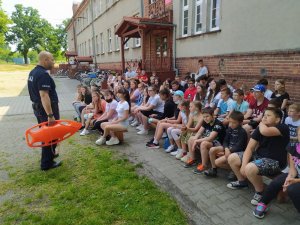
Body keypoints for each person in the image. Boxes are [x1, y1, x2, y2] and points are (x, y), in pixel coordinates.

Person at [227, 107, 290, 206]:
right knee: (232, 158)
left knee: (250, 168)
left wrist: (260, 123)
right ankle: (242, 182)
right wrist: (243, 165)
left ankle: (260, 191)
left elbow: (265, 131)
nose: (264, 117)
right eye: (264, 115)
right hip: (259, 156)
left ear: (277, 119)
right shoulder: (260, 128)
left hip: (275, 162)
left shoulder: (283, 127)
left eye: (268, 116)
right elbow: (249, 148)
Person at [253, 127, 300, 218]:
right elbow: (292, 167)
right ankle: (263, 203)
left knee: (293, 189)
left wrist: (295, 181)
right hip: (296, 175)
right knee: (276, 182)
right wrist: (290, 177)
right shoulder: (294, 145)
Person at [27, 51, 61, 171]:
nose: (53, 62)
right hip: (45, 110)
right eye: (52, 59)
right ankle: (47, 163)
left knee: (47, 134)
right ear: (45, 60)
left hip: (38, 109)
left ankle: (49, 156)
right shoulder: (43, 75)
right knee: (50, 135)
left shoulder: (33, 72)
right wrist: (50, 115)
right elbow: (44, 95)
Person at [205, 111, 248, 177]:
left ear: (240, 123)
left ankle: (235, 170)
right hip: (228, 149)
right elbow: (225, 141)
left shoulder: (242, 132)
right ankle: (214, 170)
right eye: (230, 122)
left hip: (236, 152)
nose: (231, 124)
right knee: (212, 150)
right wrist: (226, 149)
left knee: (217, 162)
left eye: (234, 123)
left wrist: (228, 152)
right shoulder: (229, 129)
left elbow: (239, 146)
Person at [185, 107, 225, 173]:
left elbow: (211, 138)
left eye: (207, 116)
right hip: (209, 140)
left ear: (212, 115)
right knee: (191, 138)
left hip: (218, 143)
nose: (205, 118)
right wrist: (195, 139)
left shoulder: (218, 124)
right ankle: (193, 159)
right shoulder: (205, 121)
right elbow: (199, 132)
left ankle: (204, 165)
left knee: (204, 143)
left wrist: (197, 141)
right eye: (204, 117)